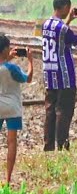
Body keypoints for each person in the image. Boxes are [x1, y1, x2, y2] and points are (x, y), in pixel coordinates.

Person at [42, 0, 77, 152]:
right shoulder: (63, 29)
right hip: (64, 77)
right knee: (64, 112)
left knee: (50, 111)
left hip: (49, 75)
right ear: (66, 7)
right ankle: (62, 146)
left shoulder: (46, 24)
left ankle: (48, 147)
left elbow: (59, 36)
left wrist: (69, 21)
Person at [0, 35, 34, 186]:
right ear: (6, 49)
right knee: (11, 142)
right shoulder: (12, 68)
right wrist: (31, 61)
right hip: (12, 107)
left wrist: (8, 59)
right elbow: (28, 78)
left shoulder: (6, 65)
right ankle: (7, 179)